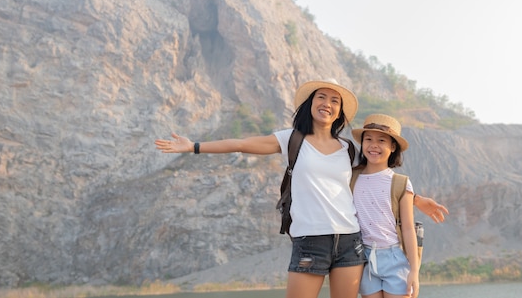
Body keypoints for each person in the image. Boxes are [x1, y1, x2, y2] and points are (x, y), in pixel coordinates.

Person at [155, 79, 448, 298]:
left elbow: (376, 177)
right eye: (322, 97)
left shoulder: (348, 148)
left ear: (340, 113)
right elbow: (241, 144)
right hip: (310, 241)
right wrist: (193, 146)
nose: (328, 103)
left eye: (335, 101)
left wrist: (417, 199)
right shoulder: (290, 140)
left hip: (350, 241)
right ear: (310, 103)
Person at [351, 114, 420, 298]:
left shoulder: (401, 183)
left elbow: (407, 228)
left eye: (381, 140)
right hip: (364, 258)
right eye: (369, 139)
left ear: (393, 146)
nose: (374, 145)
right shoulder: (351, 177)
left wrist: (414, 270)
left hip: (394, 258)